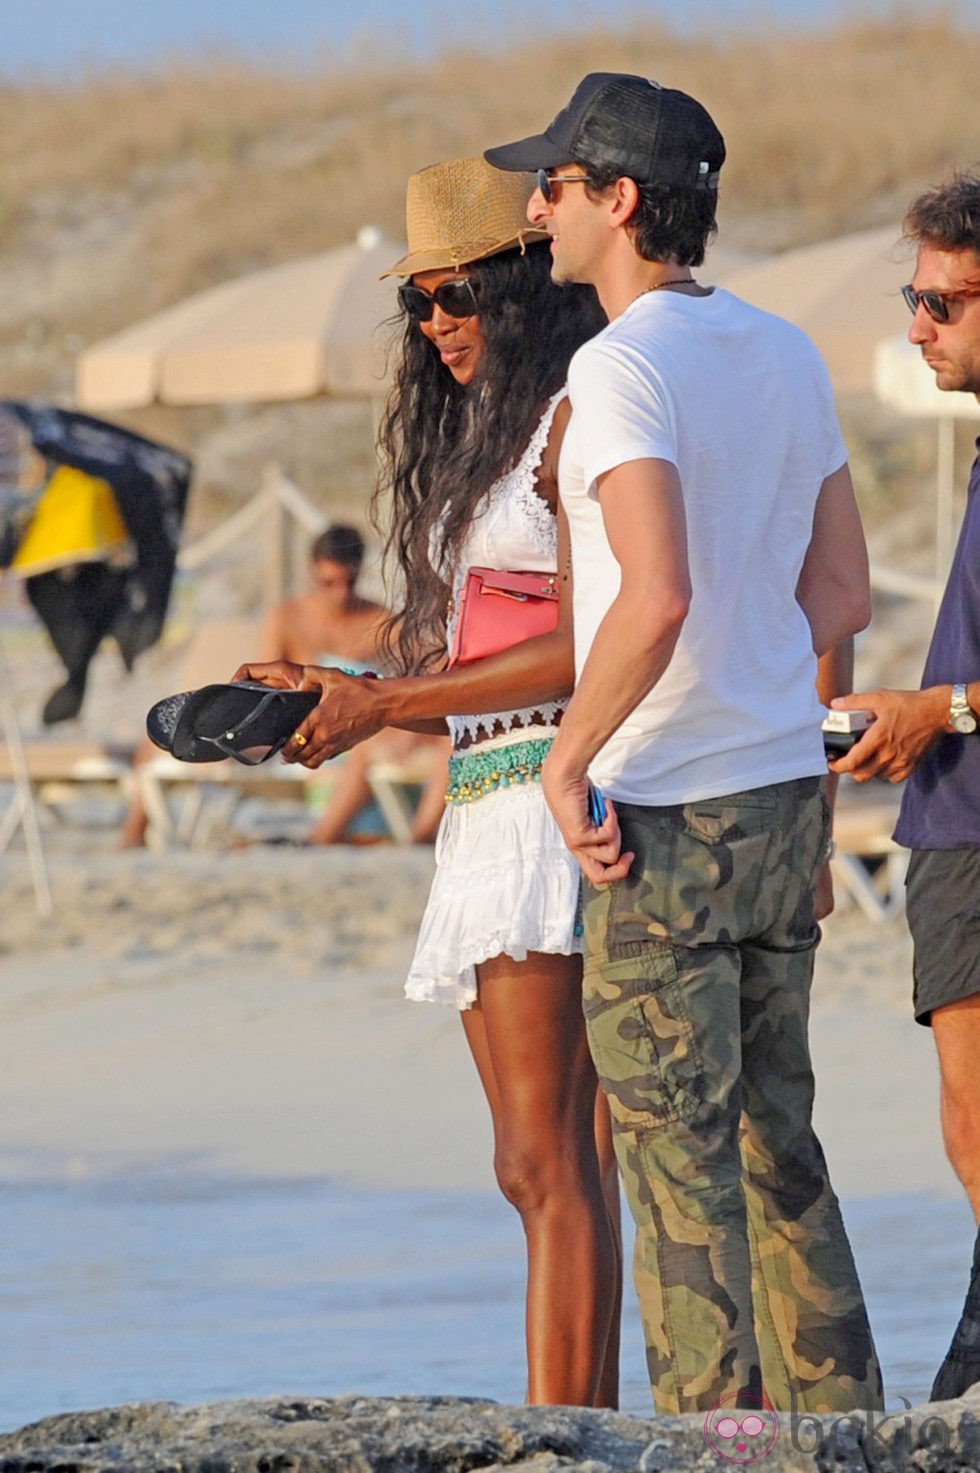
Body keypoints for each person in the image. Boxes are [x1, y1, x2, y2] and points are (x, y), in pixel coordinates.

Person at [485, 74, 883, 1417]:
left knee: (680, 1174)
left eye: (555, 184)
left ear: (620, 201)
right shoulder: (781, 348)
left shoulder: (618, 367)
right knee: (785, 1147)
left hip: (663, 810)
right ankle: (842, 1433)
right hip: (779, 795)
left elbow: (654, 596)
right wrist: (772, 702)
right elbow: (840, 597)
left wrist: (564, 755)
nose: (534, 208)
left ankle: (717, 1447)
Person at [234, 156, 622, 1407]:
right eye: (419, 304)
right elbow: (466, 641)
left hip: (552, 808)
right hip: (489, 806)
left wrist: (382, 702)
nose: (437, 324)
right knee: (559, 1160)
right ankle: (588, 1421)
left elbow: (588, 639)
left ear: (517, 289)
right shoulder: (492, 443)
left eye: (456, 296)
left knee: (543, 1159)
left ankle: (566, 1432)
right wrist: (336, 682)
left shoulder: (574, 419)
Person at [831, 172, 980, 1402]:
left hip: (970, 815)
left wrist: (944, 710)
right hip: (955, 805)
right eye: (910, 297)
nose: (916, 326)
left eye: (941, 302)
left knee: (975, 1117)